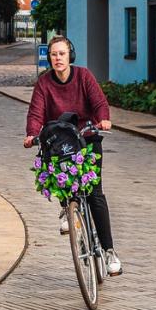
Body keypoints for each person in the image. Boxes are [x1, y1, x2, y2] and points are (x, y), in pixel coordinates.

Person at [23, 35, 121, 276]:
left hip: (87, 137)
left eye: (62, 54)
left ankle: (109, 252)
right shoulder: (44, 84)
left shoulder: (84, 76)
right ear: (50, 58)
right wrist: (31, 134)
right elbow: (36, 112)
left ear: (70, 56)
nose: (58, 58)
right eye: (54, 54)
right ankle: (68, 207)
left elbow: (99, 102)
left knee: (95, 192)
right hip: (61, 140)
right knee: (56, 170)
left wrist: (103, 119)